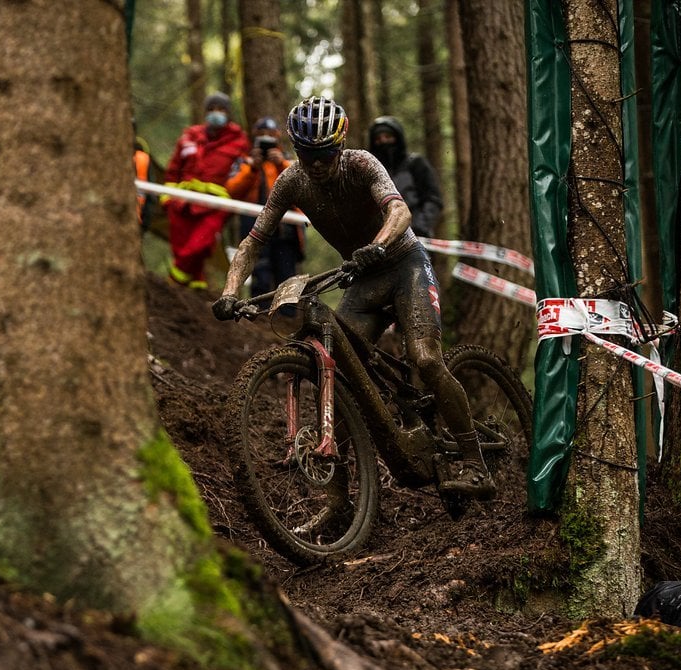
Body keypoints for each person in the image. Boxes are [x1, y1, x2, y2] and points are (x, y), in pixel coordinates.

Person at [211, 96, 492, 499]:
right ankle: (339, 500)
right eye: (308, 155)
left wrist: (377, 245)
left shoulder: (362, 163)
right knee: (341, 384)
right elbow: (253, 242)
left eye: (325, 154)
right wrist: (229, 292)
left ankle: (475, 462)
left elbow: (400, 212)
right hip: (362, 279)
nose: (317, 164)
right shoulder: (291, 181)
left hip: (403, 264)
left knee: (427, 359)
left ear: (339, 147)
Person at [162, 92, 251, 289]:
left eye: (220, 110)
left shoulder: (239, 142)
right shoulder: (189, 137)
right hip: (182, 203)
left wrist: (231, 203)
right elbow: (173, 169)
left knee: (200, 245)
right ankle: (197, 285)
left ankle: (173, 282)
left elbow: (243, 177)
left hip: (215, 206)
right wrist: (167, 199)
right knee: (181, 247)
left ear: (228, 114)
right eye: (211, 110)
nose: (215, 114)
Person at [225, 116, 304, 298]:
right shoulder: (245, 162)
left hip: (286, 230)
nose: (267, 139)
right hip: (255, 227)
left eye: (270, 135)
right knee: (259, 272)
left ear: (277, 137)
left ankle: (288, 317)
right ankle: (257, 314)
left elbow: (302, 185)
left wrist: (281, 164)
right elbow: (232, 190)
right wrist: (253, 167)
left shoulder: (291, 162)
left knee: (287, 276)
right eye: (261, 135)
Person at [367, 116, 443, 238]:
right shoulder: (369, 170)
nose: (383, 141)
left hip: (416, 236)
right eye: (378, 139)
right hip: (379, 238)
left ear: (397, 137)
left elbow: (433, 199)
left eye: (388, 137)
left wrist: (419, 227)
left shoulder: (416, 163)